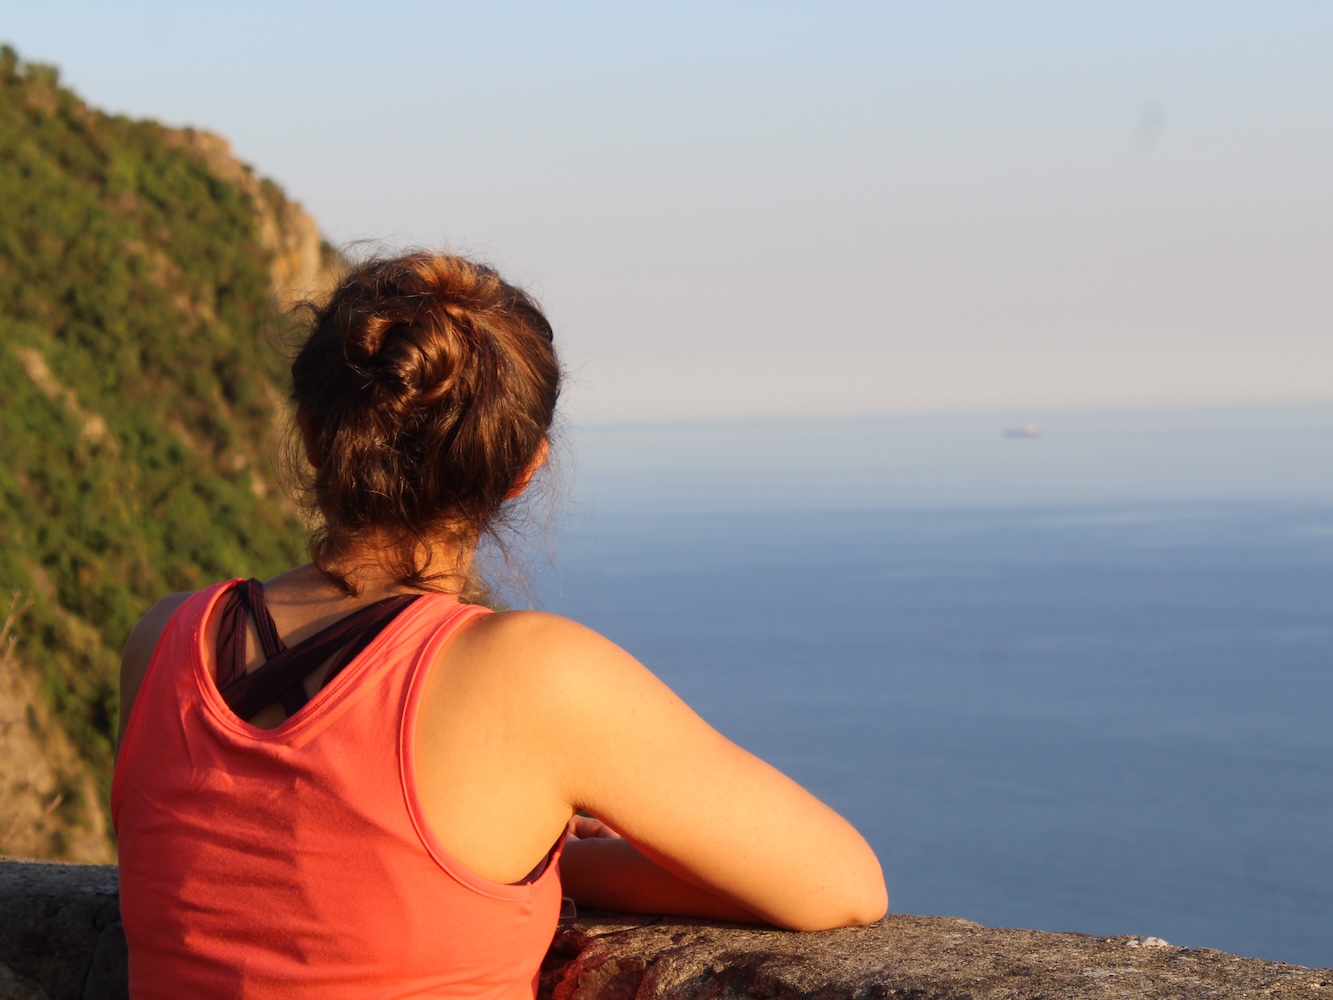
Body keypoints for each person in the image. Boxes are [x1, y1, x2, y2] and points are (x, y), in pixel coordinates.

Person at [113, 251, 887, 1000]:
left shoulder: (165, 639)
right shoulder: (531, 675)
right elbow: (842, 887)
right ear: (524, 469)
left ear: (315, 436)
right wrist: (556, 856)